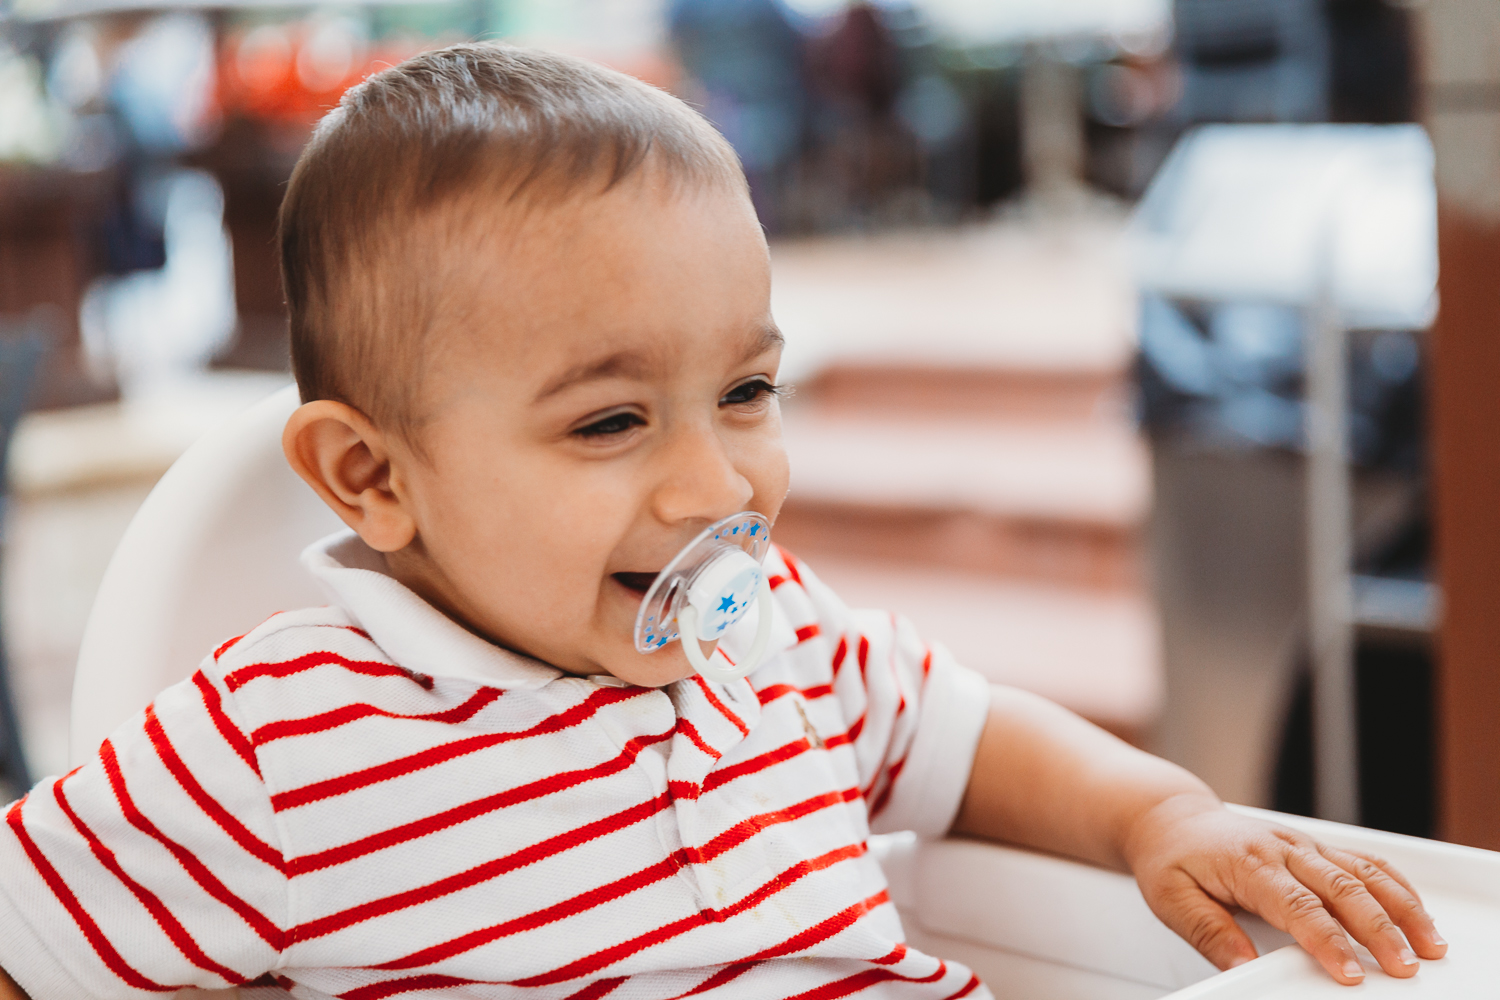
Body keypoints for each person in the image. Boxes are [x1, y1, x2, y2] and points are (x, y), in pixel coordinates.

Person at [0, 44, 1446, 999]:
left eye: (748, 390)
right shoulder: (285, 740)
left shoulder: (773, 642)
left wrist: (1159, 814)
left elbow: (967, 735)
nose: (720, 491)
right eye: (610, 422)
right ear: (375, 478)